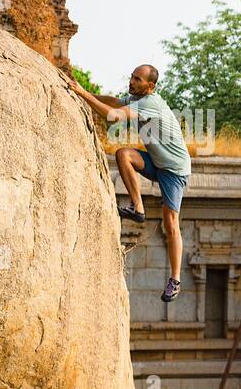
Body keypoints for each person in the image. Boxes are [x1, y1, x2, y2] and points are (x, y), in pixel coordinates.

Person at [69, 65, 191, 302]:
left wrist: (83, 95)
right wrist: (86, 92)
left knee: (171, 222)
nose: (132, 81)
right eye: (132, 77)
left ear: (150, 86)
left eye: (138, 79)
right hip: (157, 162)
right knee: (123, 154)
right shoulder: (136, 97)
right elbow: (114, 102)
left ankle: (175, 280)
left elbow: (112, 115)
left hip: (175, 170)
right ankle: (138, 208)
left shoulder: (150, 104)